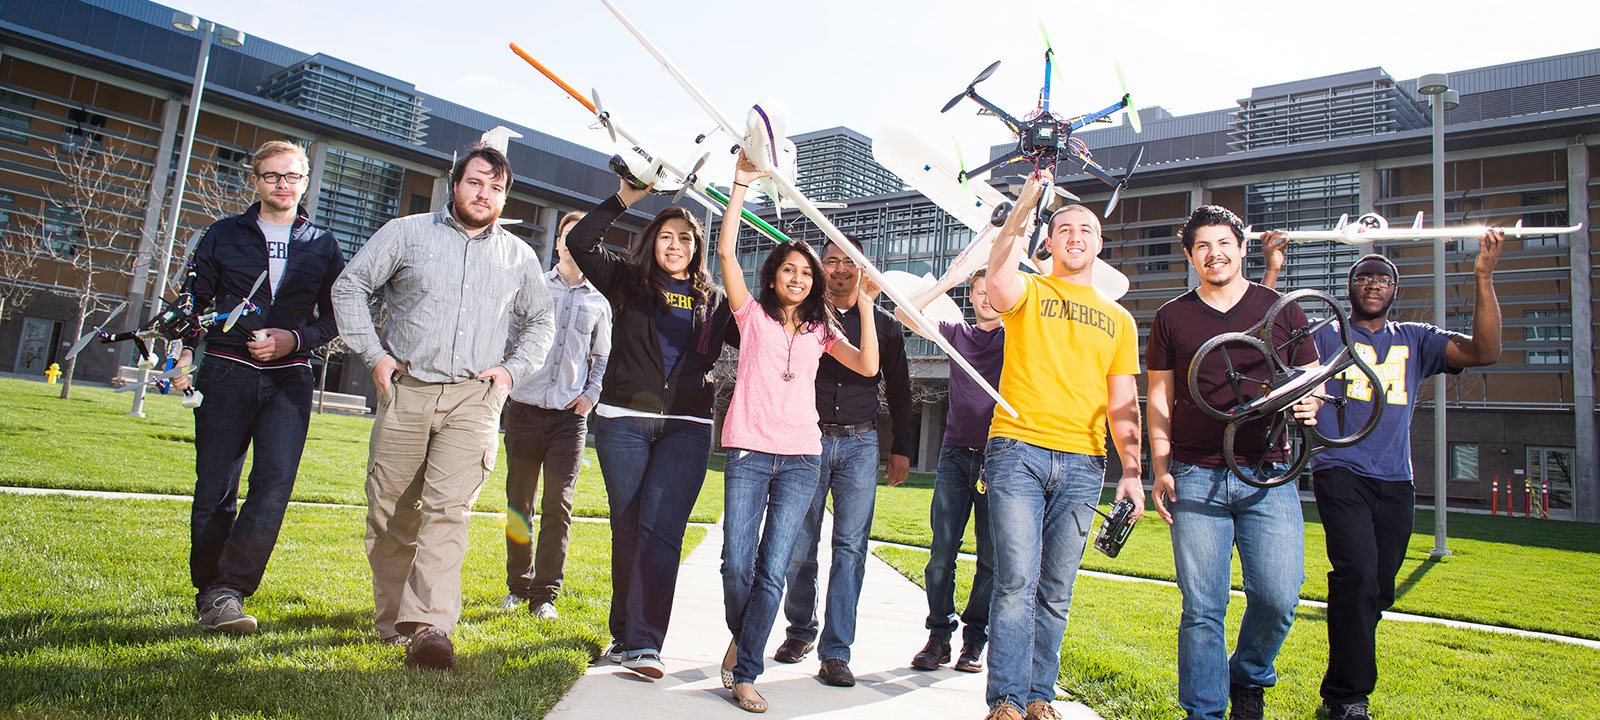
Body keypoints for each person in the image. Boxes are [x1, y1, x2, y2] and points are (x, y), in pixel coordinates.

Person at [1263, 231, 1504, 720]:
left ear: (1395, 290)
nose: (1373, 284)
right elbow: (1262, 338)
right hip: (1339, 469)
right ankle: (1348, 699)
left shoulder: (1417, 338)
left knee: (1375, 589)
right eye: (1364, 276)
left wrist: (1483, 275)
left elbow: (1485, 352)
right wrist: (1272, 269)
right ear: (1349, 286)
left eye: (1383, 279)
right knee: (1356, 574)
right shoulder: (1324, 333)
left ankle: (1343, 684)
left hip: (1396, 479)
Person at [331, 145, 553, 669]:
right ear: (455, 184)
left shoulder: (519, 255)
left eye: (496, 188)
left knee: (449, 511)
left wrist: (509, 373)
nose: (485, 195)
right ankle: (393, 623)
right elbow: (350, 286)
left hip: (473, 401)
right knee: (390, 514)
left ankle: (430, 627)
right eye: (476, 183)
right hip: (405, 390)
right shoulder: (405, 233)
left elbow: (541, 321)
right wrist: (376, 356)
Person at [714, 153, 880, 713]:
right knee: (738, 562)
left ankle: (746, 669)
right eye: (790, 269)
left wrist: (869, 307)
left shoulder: (821, 327)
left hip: (802, 458)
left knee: (775, 564)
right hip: (749, 452)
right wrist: (740, 185)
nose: (799, 277)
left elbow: (868, 368)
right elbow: (725, 253)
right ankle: (745, 636)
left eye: (807, 273)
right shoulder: (751, 316)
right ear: (774, 275)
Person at [979, 170, 1145, 720]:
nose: (1075, 235)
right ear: (1049, 242)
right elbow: (997, 275)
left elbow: (1125, 401)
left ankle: (1038, 699)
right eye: (1065, 227)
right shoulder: (1030, 289)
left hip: (1084, 464)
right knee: (1016, 582)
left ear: (1100, 244)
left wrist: (1132, 470)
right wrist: (1026, 203)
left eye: (1086, 229)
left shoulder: (1120, 320)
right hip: (1017, 452)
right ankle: (1004, 697)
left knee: (1055, 591)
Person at [1146, 207, 1321, 720]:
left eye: (1224, 243)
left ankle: (1248, 674)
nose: (1214, 254)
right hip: (1195, 473)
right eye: (1202, 246)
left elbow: (1311, 377)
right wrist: (1161, 466)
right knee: (1202, 609)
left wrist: (1311, 401)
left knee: (1278, 596)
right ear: (1190, 255)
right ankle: (1203, 711)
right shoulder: (1171, 316)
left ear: (1242, 248)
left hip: (1268, 472)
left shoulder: (1282, 307)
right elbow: (1158, 398)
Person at [565, 176, 738, 680]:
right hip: (624, 421)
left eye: (686, 238)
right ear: (652, 241)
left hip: (686, 425)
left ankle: (643, 644)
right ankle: (624, 635)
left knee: (661, 530)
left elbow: (755, 342)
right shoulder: (626, 282)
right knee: (628, 529)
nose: (676, 245)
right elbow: (580, 242)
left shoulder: (712, 302)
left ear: (698, 248)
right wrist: (626, 197)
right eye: (667, 236)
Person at [172, 139, 345, 635]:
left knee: (271, 488)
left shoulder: (323, 244)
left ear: (305, 180)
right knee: (216, 488)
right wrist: (184, 352)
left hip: (289, 381)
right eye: (272, 176)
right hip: (225, 373)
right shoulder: (223, 235)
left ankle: (231, 590)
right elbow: (192, 300)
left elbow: (337, 318)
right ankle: (210, 591)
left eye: (292, 177)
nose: (282, 185)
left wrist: (295, 339)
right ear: (256, 180)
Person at [775, 233, 914, 688]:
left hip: (859, 445)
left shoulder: (886, 326)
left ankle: (836, 651)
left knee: (850, 549)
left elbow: (899, 391)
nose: (838, 269)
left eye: (847, 262)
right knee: (799, 544)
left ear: (862, 268)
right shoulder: (805, 317)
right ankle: (800, 631)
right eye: (830, 261)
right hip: (806, 442)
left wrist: (901, 449)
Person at [499, 210, 612, 621]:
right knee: (519, 502)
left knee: (558, 503)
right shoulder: (532, 287)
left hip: (569, 420)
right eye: (570, 235)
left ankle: (545, 594)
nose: (576, 241)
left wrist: (590, 396)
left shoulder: (600, 301)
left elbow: (601, 357)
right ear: (560, 241)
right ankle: (517, 585)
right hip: (525, 410)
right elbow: (509, 338)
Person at [895, 268, 1003, 674]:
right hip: (956, 456)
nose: (988, 298)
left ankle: (974, 640)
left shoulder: (1017, 336)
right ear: (971, 296)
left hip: (1002, 459)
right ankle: (939, 636)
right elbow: (906, 313)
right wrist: (946, 284)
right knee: (941, 553)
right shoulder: (957, 333)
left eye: (995, 290)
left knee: (991, 559)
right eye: (979, 292)